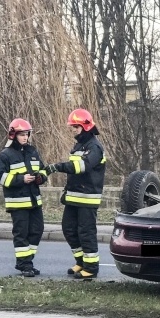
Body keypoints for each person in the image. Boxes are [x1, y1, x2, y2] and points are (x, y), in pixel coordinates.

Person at [45, 109, 107, 280]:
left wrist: (57, 166)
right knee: (69, 229)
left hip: (87, 198)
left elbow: (81, 167)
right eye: (72, 126)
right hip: (73, 197)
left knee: (86, 232)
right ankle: (81, 261)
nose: (72, 129)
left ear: (85, 126)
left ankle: (91, 268)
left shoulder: (95, 147)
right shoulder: (79, 145)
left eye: (75, 126)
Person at [0, 118, 47, 277]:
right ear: (13, 135)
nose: (25, 137)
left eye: (27, 134)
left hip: (34, 201)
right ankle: (25, 265)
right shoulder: (5, 155)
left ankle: (26, 261)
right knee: (21, 234)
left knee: (37, 231)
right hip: (17, 203)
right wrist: (20, 179)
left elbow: (43, 170)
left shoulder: (32, 151)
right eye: (21, 134)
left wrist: (40, 178)